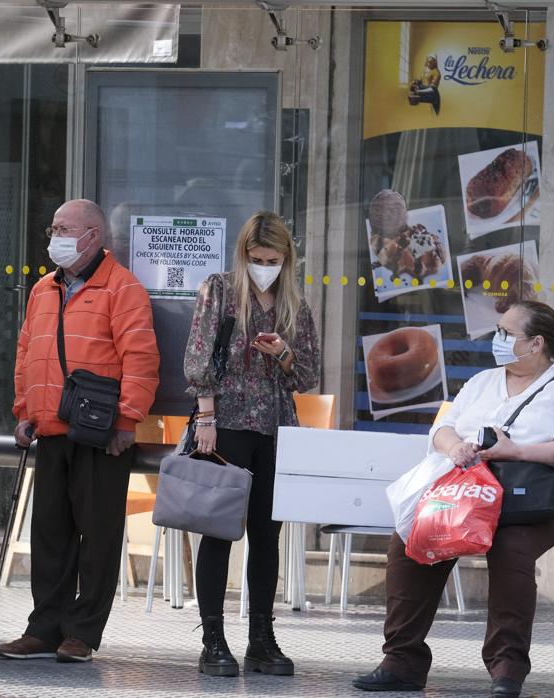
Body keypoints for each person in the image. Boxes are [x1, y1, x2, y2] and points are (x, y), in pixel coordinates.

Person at [353, 301, 554, 697]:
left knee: (509, 550)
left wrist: (513, 450)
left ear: (536, 343)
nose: (497, 340)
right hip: (467, 492)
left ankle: (506, 669)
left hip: (531, 502)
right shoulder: (483, 382)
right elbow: (442, 427)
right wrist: (454, 448)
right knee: (412, 541)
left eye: (506, 333)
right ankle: (402, 662)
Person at [0, 199, 160, 663]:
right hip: (49, 430)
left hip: (100, 433)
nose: (55, 236)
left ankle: (82, 632)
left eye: (65, 228)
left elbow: (141, 359)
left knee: (99, 535)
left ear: (93, 235)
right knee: (50, 534)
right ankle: (44, 627)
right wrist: (24, 410)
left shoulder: (122, 289)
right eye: (53, 228)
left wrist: (128, 418)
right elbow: (28, 353)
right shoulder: (44, 289)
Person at [182, 211, 321, 678]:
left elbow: (307, 375)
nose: (265, 266)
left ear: (287, 258)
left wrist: (282, 352)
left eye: (274, 259)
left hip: (277, 425)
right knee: (219, 530)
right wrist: (205, 417)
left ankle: (262, 638)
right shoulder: (219, 289)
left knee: (267, 535)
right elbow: (198, 357)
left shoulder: (294, 303)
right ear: (243, 255)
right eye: (258, 258)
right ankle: (212, 639)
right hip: (226, 424)